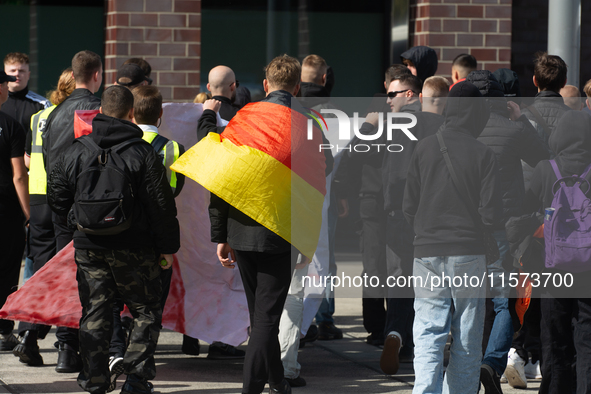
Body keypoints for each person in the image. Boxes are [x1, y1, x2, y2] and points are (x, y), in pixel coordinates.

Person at [198, 54, 332, 394]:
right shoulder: (309, 124)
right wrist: (307, 240)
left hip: (242, 229)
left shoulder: (245, 118)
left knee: (262, 315)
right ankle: (253, 388)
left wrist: (221, 234)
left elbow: (222, 177)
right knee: (266, 318)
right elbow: (318, 182)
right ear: (297, 87)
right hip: (281, 232)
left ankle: (276, 382)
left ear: (266, 85)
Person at [48, 85, 180, 394]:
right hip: (135, 248)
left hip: (89, 247)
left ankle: (94, 379)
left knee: (95, 311)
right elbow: (161, 206)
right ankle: (135, 381)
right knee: (146, 311)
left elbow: (56, 195)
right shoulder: (142, 152)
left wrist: (76, 224)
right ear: (131, 113)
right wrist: (167, 248)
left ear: (99, 112)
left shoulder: (76, 149)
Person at [403, 81, 500, 394]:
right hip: (468, 253)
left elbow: (408, 205)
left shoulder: (425, 146)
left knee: (428, 332)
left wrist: (424, 230)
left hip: (426, 251)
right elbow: (491, 213)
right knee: (467, 336)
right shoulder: (483, 153)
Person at [465, 70, 549, 394]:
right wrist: (521, 121)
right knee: (504, 303)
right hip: (506, 225)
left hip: (468, 224)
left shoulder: (463, 130)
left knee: (470, 300)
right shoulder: (514, 130)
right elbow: (544, 158)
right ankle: (492, 361)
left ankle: (468, 366)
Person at [360, 73, 445, 375]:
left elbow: (356, 154)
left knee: (399, 278)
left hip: (397, 214)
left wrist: (368, 126)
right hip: (433, 215)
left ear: (413, 95)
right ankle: (425, 342)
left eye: (393, 94)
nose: (388, 99)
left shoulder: (390, 125)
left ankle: (395, 334)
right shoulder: (441, 126)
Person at [26, 50, 102, 373]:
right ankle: (83, 349)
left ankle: (64, 348)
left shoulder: (53, 114)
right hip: (87, 209)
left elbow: (47, 163)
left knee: (64, 277)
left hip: (59, 207)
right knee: (93, 281)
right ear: (96, 75)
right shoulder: (95, 111)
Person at [107, 84, 185, 388]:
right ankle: (139, 371)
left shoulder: (119, 143)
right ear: (161, 113)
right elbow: (174, 189)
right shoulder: (171, 147)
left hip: (120, 232)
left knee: (113, 298)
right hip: (154, 238)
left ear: (130, 112)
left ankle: (115, 349)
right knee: (150, 307)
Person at [524, 111, 591, 394]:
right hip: (588, 267)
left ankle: (555, 388)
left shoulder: (545, 168)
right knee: (586, 334)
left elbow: (526, 213)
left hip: (553, 266)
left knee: (554, 333)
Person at [13, 68, 76, 368]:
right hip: (65, 199)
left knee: (39, 268)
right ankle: (66, 347)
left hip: (39, 199)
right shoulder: (77, 116)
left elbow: (27, 160)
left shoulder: (39, 117)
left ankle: (28, 334)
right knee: (66, 270)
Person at [0, 70, 29, 352]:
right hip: (6, 211)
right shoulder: (11, 126)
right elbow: (19, 175)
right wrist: (28, 212)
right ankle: (4, 330)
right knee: (7, 270)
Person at [1, 52, 50, 129]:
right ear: (5, 74)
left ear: (28, 75)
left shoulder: (42, 104)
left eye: (21, 71)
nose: (17, 74)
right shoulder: (1, 101)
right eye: (12, 70)